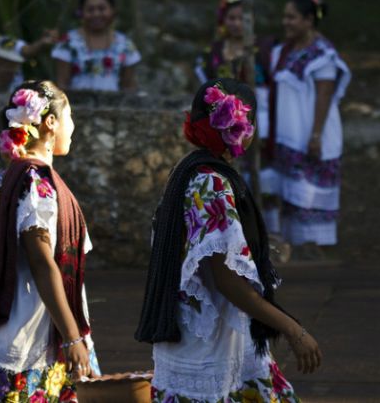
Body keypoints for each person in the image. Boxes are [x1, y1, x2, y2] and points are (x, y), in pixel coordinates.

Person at [136, 78, 322, 402]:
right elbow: (228, 281)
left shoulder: (191, 172)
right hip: (208, 345)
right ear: (242, 128)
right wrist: (293, 329)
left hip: (210, 336)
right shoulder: (212, 184)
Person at [0, 80, 100, 402]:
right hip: (28, 330)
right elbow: (41, 262)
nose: (73, 126)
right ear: (50, 122)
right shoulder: (37, 185)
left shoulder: (11, 175)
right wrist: (71, 337)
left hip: (8, 325)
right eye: (70, 117)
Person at [265, 0, 351, 258]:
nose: (285, 22)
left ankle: (318, 262)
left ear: (308, 20)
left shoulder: (322, 55)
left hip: (311, 138)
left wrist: (315, 136)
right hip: (287, 138)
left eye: (291, 17)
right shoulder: (283, 51)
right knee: (289, 202)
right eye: (284, 16)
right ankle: (296, 259)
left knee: (311, 203)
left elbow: (324, 96)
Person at [52, 0, 141, 92]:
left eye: (102, 9)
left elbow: (128, 86)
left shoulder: (125, 45)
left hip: (114, 106)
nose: (96, 14)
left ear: (113, 11)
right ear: (81, 12)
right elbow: (62, 85)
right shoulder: (67, 43)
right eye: (90, 10)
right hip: (75, 106)